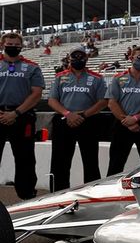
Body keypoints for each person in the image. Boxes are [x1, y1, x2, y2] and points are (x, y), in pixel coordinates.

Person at [47, 46, 107, 191]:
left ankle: (92, 193)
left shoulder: (97, 78)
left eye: (81, 56)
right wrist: (68, 114)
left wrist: (84, 115)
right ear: (69, 58)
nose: (78, 59)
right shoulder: (60, 76)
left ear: (86, 58)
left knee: (91, 161)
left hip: (88, 121)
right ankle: (57, 194)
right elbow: (52, 100)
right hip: (63, 120)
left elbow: (103, 101)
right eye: (74, 56)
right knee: (59, 162)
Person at [0, 33, 45, 200]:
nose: (13, 46)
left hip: (22, 116)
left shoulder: (32, 67)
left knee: (25, 158)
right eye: (9, 43)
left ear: (21, 46)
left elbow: (36, 94)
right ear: (3, 44)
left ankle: (26, 195)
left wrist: (16, 113)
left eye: (16, 44)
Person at [106, 46, 140, 175]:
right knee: (115, 165)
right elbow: (112, 102)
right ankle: (111, 192)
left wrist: (136, 118)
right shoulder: (118, 78)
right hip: (122, 124)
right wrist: (126, 120)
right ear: (131, 58)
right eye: (139, 57)